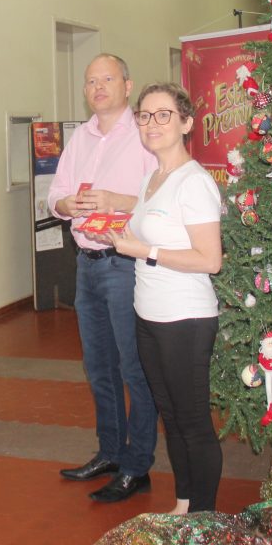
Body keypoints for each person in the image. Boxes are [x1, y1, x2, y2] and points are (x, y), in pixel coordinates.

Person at [107, 83, 224, 515]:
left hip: (185, 319)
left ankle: (204, 522)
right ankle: (184, 506)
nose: (151, 124)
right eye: (144, 115)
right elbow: (149, 236)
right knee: (170, 418)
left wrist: (145, 250)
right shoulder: (151, 179)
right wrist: (122, 236)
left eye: (163, 115)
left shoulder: (194, 183)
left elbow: (210, 259)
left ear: (186, 123)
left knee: (193, 423)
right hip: (149, 314)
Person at [48, 54, 158, 503]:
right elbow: (55, 195)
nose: (97, 87)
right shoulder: (80, 137)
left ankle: (137, 465)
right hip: (87, 264)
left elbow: (161, 200)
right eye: (90, 81)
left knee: (135, 368)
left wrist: (118, 200)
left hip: (125, 263)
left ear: (127, 85)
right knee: (99, 368)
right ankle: (110, 452)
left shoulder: (146, 134)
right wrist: (64, 205)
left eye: (107, 79)